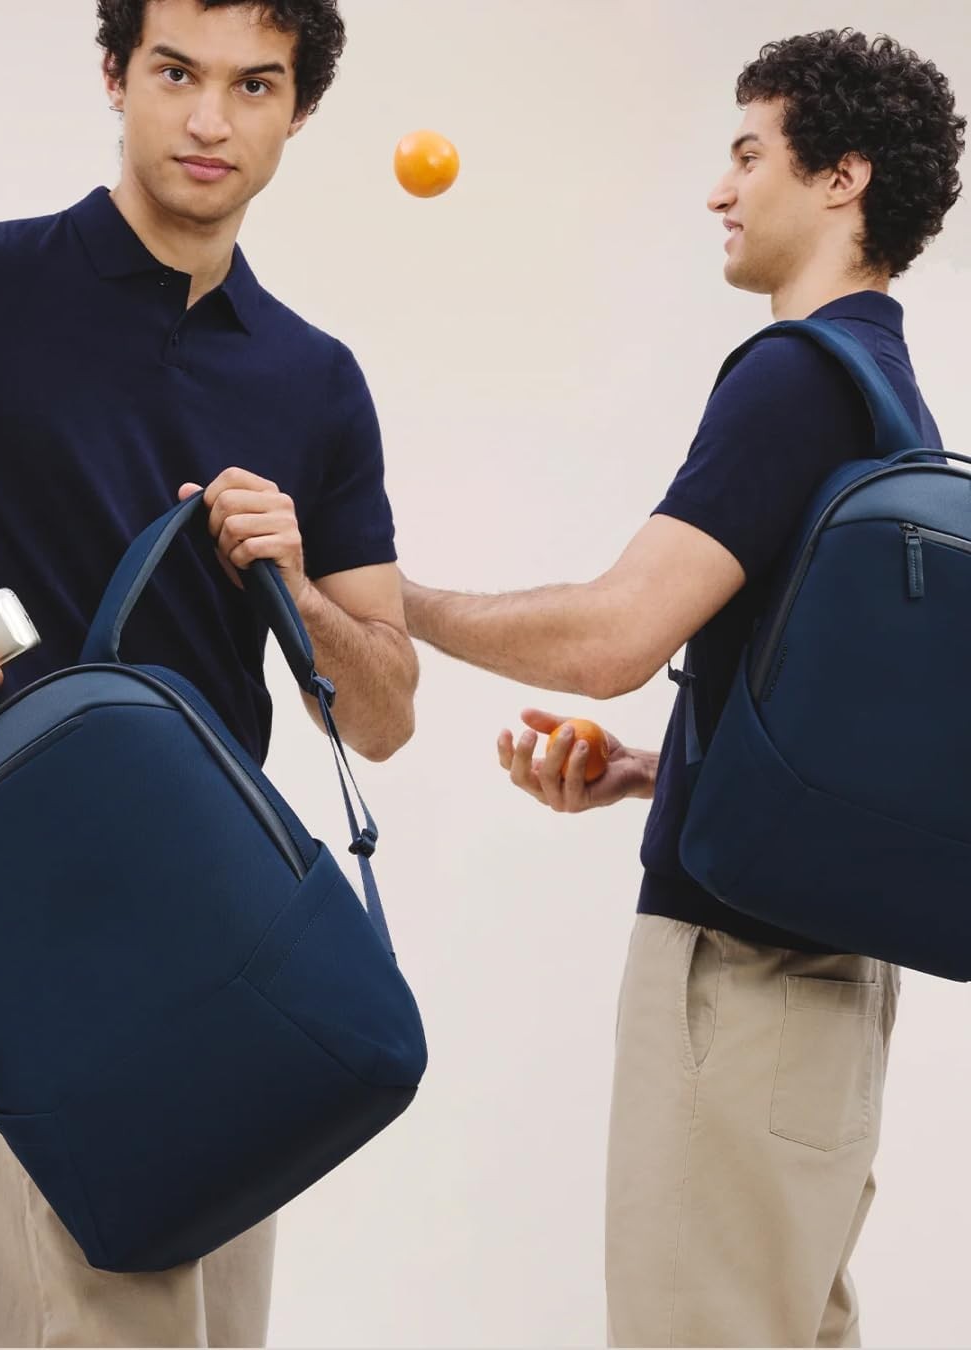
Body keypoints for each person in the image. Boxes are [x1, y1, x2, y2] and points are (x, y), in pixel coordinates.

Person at [401, 29, 965, 1348]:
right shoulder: (896, 404)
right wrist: (659, 770)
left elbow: (613, 635)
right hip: (836, 1001)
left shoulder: (794, 379)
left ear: (842, 177)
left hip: (740, 983)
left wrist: (391, 600)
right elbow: (858, 741)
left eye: (749, 155)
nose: (721, 190)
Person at [0, 0, 418, 1344]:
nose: (208, 120)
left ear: (298, 113)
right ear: (115, 74)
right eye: (176, 72)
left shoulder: (317, 379)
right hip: (24, 901)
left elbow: (385, 712)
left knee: (208, 1322)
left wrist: (297, 587)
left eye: (255, 86)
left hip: (235, 915)